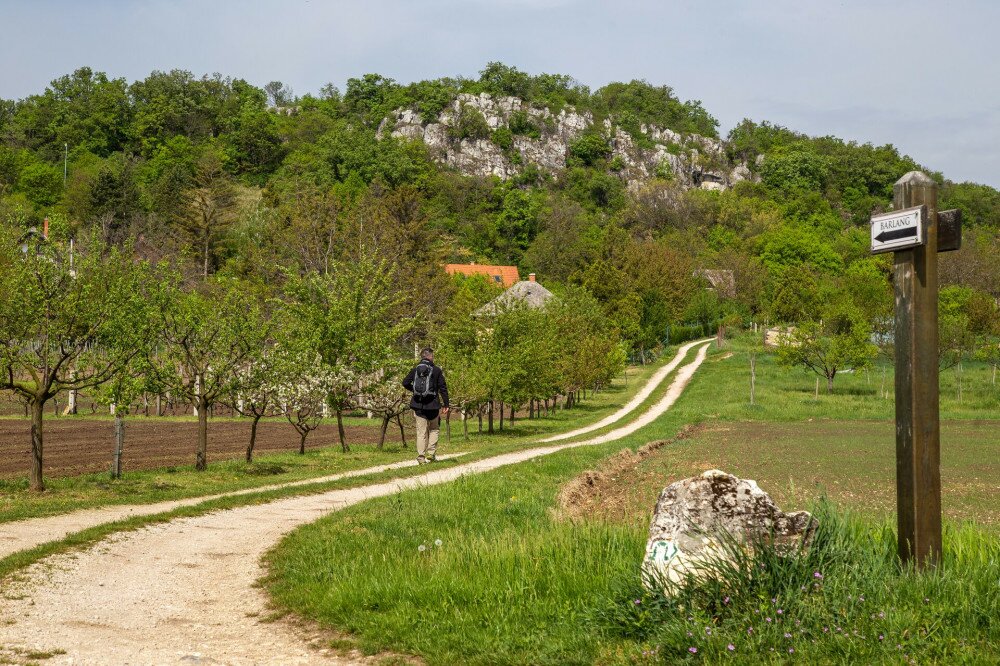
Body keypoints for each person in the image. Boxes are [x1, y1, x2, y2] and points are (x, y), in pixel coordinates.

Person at [402, 347, 449, 464]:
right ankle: (431, 453)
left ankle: (421, 458)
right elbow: (443, 388)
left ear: (422, 356)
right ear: (430, 356)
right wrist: (446, 404)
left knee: (421, 432)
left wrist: (415, 390)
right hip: (433, 406)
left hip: (418, 405)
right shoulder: (436, 370)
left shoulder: (415, 370)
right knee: (434, 429)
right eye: (433, 356)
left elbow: (405, 382)